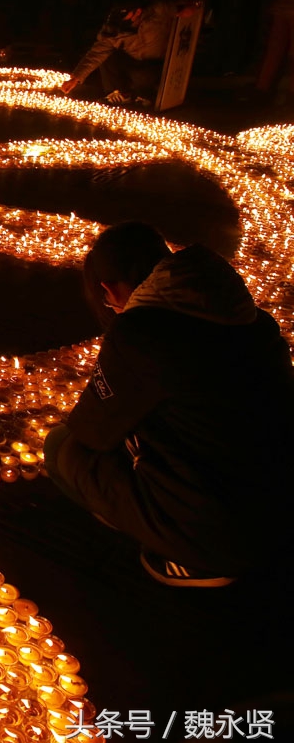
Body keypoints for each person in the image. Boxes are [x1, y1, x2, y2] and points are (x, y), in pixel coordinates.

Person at [44, 222, 294, 587]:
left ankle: (189, 553)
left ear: (108, 289)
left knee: (62, 449)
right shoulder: (254, 320)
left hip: (223, 533)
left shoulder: (141, 332)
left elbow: (90, 431)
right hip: (282, 503)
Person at [60, 0, 176, 106]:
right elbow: (96, 53)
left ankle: (147, 94)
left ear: (138, 12)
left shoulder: (157, 13)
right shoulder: (114, 27)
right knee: (107, 57)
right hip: (132, 60)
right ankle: (121, 92)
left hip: (156, 63)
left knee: (143, 78)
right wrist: (75, 78)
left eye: (126, 15)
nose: (123, 19)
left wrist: (189, 7)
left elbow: (180, 3)